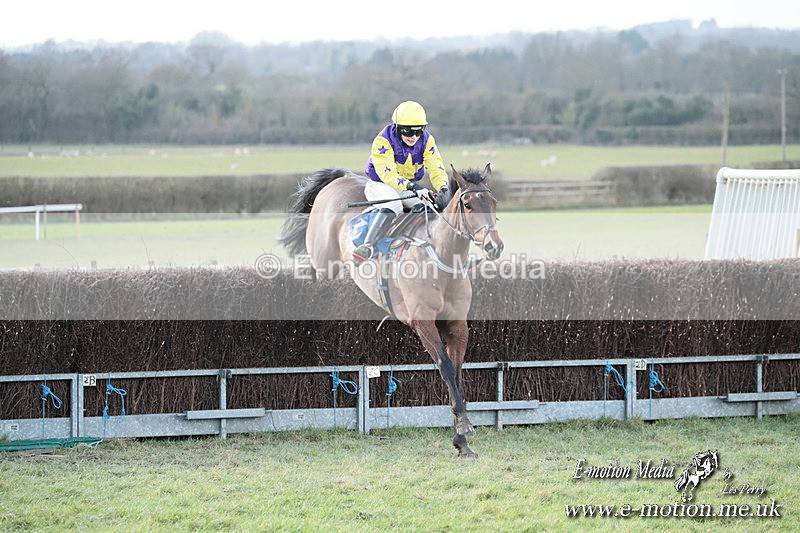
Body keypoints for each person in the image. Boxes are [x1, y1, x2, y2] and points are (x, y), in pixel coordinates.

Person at [353, 101, 451, 264]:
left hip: (407, 186)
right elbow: (388, 174)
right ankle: (367, 246)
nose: (413, 136)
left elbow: (436, 166)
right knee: (395, 206)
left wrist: (443, 188)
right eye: (407, 131)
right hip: (381, 184)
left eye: (418, 131)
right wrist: (413, 187)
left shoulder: (427, 140)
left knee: (430, 207)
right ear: (397, 128)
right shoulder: (383, 141)